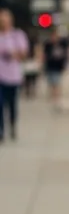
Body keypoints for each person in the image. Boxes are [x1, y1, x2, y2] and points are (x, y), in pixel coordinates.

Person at [0, 8, 30, 142]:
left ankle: (12, 125)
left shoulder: (17, 35)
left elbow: (23, 53)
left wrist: (12, 53)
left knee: (12, 104)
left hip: (13, 76)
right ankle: (1, 130)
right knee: (0, 105)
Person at [42, 27, 69, 104]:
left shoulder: (62, 43)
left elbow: (66, 54)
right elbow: (44, 55)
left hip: (58, 66)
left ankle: (56, 97)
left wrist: (65, 65)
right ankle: (52, 96)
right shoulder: (48, 44)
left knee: (57, 82)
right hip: (50, 66)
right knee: (51, 82)